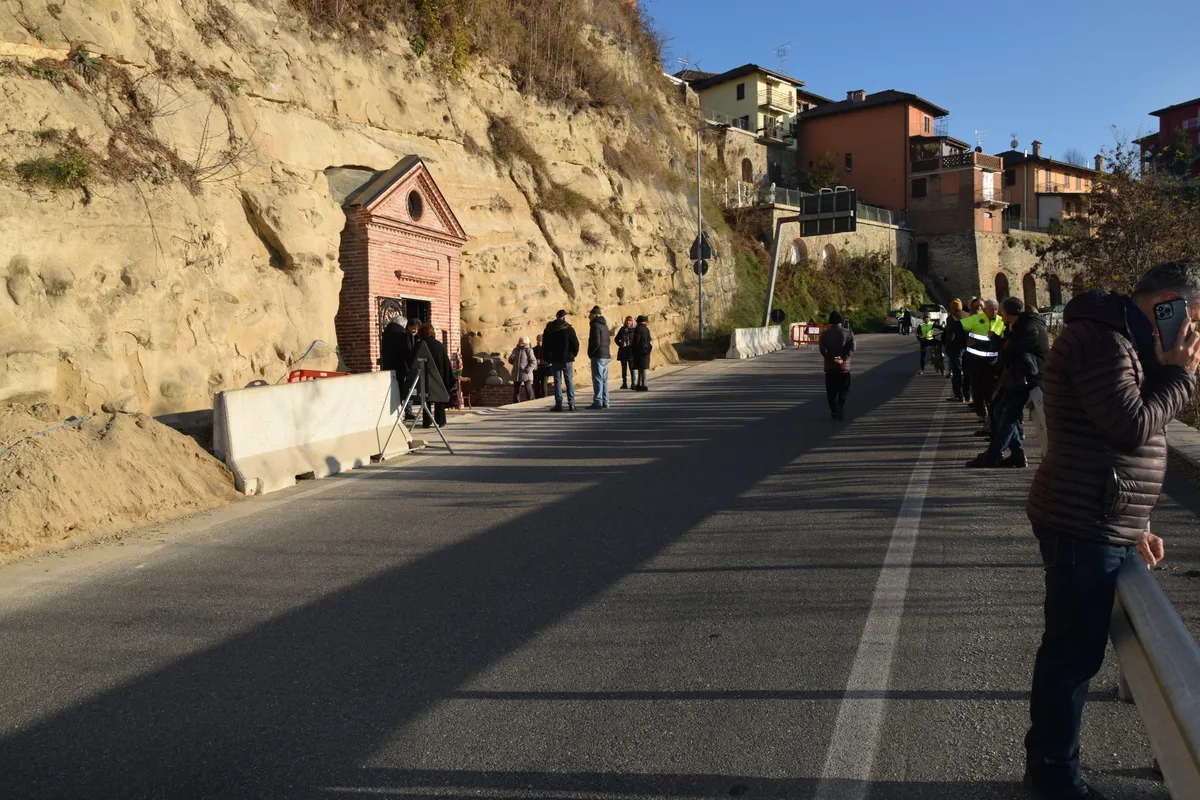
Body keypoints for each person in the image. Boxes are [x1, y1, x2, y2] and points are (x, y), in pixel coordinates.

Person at [1023, 261, 1200, 800]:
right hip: (1084, 522)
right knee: (1071, 657)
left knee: (1070, 652)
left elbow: (1110, 430)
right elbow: (1126, 428)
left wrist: (1136, 523)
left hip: (1098, 518)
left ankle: (1049, 770)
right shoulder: (1103, 339)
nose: (1193, 332)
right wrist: (1181, 376)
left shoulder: (1116, 336)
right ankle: (1053, 778)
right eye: (1193, 317)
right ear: (1168, 303)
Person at [966, 297, 1048, 468]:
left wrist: (1000, 347)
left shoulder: (1027, 327)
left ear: (1007, 312)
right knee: (998, 409)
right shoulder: (1022, 325)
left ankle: (993, 455)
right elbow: (1008, 347)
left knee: (1007, 415)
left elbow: (1011, 351)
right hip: (1017, 377)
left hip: (1026, 378)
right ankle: (1017, 455)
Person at [962, 299, 1006, 431]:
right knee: (977, 389)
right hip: (975, 361)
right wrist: (966, 340)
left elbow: (1003, 340)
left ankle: (991, 421)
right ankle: (982, 414)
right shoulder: (976, 319)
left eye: (996, 309)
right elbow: (958, 328)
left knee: (991, 393)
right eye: (991, 309)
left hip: (993, 362)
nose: (993, 312)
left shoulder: (1000, 320)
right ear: (985, 309)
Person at [380, 316, 420, 419]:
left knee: (392, 390)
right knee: (405, 389)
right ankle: (405, 411)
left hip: (388, 365)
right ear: (404, 325)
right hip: (401, 366)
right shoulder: (402, 334)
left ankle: (397, 413)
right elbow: (406, 351)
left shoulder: (386, 332)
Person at [819, 310, 855, 420]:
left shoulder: (825, 334)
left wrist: (831, 358)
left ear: (830, 321)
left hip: (830, 368)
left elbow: (822, 350)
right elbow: (852, 348)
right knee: (844, 389)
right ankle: (840, 405)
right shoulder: (848, 332)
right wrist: (843, 359)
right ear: (841, 321)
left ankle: (834, 410)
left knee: (831, 392)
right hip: (844, 368)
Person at [416, 323, 454, 428]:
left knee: (425, 397)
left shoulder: (419, 345)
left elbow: (412, 361)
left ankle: (426, 421)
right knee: (439, 397)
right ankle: (441, 420)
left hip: (424, 375)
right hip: (439, 375)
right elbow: (446, 362)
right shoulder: (439, 345)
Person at [542, 309, 580, 411]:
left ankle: (558, 404)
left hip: (555, 359)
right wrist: (572, 354)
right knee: (569, 381)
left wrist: (547, 358)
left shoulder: (549, 329)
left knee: (557, 381)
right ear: (563, 317)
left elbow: (545, 346)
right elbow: (575, 344)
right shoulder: (569, 329)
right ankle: (571, 404)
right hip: (567, 359)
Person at [587, 305, 612, 409]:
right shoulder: (605, 325)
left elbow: (596, 342)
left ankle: (598, 402)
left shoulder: (595, 326)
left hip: (598, 355)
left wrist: (591, 353)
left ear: (594, 314)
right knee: (605, 379)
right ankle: (605, 401)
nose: (589, 317)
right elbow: (609, 341)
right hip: (606, 355)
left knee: (597, 379)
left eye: (590, 315)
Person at [507, 336, 537, 403]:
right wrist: (511, 358)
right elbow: (511, 361)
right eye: (519, 341)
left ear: (526, 342)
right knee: (516, 389)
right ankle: (516, 402)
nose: (520, 342)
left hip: (525, 372)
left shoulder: (529, 350)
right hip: (516, 372)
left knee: (528, 388)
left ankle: (531, 401)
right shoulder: (515, 350)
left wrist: (527, 370)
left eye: (522, 341)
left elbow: (533, 361)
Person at [631, 315, 653, 391]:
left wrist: (632, 348)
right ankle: (642, 384)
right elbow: (649, 339)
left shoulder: (638, 329)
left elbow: (636, 340)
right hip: (646, 351)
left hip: (639, 351)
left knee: (641, 369)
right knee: (643, 368)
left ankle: (643, 385)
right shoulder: (647, 329)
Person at [615, 316, 636, 389]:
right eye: (627, 321)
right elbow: (616, 339)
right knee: (624, 369)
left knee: (632, 368)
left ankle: (633, 383)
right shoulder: (622, 329)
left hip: (631, 351)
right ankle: (624, 383)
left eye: (630, 321)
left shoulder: (634, 330)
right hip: (623, 351)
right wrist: (620, 345)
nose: (628, 322)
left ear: (632, 322)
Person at [532, 334, 549, 398]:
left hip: (544, 369)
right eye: (538, 340)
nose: (539, 342)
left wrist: (541, 361)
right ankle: (537, 399)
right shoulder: (533, 349)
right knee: (536, 386)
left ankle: (544, 399)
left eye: (541, 340)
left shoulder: (547, 349)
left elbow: (549, 360)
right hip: (536, 370)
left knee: (544, 386)